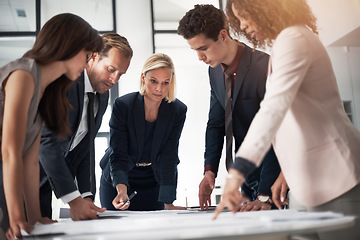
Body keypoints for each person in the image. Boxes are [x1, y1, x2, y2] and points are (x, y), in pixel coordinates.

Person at [214, 0, 360, 239]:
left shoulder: (295, 39)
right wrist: (287, 172)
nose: (242, 25)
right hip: (305, 183)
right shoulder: (287, 42)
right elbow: (292, 120)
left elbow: (273, 109)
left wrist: (238, 171)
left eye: (244, 16)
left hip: (337, 177)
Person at [0, 13, 103, 239]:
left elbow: (30, 159)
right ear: (68, 46)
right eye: (86, 55)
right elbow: (10, 151)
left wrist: (35, 217)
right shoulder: (23, 74)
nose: (87, 63)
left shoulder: (45, 88)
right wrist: (17, 216)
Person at [177, 4, 280, 211]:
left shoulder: (264, 66)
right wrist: (210, 171)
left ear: (223, 35)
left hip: (271, 176)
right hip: (244, 177)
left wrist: (265, 195)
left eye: (203, 48)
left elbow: (275, 132)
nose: (199, 57)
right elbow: (216, 123)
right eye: (194, 50)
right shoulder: (214, 72)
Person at [39, 33, 133, 221]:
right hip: (18, 177)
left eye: (120, 74)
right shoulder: (65, 83)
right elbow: (46, 143)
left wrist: (86, 196)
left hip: (44, 183)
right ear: (94, 56)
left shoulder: (102, 95)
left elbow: (85, 147)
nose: (114, 79)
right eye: (111, 69)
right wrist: (74, 200)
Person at [99, 53, 187, 211]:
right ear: (143, 77)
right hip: (119, 177)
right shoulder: (123, 106)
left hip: (153, 179)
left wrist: (168, 202)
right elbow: (118, 153)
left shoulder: (177, 110)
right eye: (153, 81)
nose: (159, 89)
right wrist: (122, 190)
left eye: (165, 83)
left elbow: (169, 155)